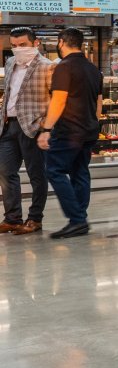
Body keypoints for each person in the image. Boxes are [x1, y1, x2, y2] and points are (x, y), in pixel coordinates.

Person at [37, 28, 102, 239]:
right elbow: (98, 103)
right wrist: (92, 124)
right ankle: (79, 219)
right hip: (89, 130)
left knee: (54, 170)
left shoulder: (64, 67)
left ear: (61, 42)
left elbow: (59, 100)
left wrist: (47, 129)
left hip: (69, 130)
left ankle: (77, 219)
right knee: (80, 172)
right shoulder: (93, 69)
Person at [0, 27, 54, 236]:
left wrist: (45, 126)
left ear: (35, 43)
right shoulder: (10, 63)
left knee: (37, 175)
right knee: (5, 172)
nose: (18, 49)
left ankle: (35, 218)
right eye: (14, 46)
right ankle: (12, 218)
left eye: (23, 45)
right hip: (8, 126)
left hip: (33, 127)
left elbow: (56, 99)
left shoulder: (48, 66)